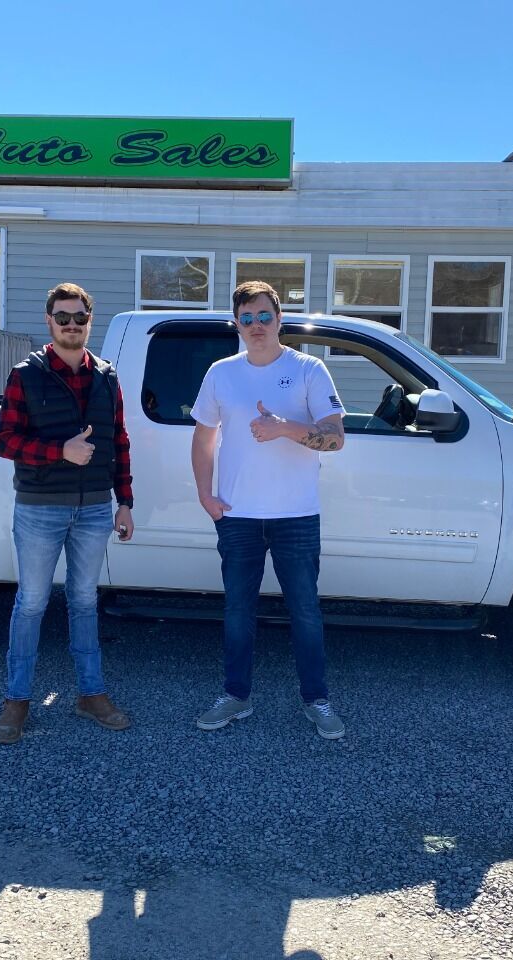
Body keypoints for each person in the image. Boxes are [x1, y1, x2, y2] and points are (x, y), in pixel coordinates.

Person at [189, 280, 347, 739]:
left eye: (264, 316)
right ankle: (235, 696)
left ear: (279, 319)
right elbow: (203, 439)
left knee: (306, 613)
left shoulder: (308, 369)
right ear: (235, 323)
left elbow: (335, 437)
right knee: (238, 612)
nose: (256, 326)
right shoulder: (221, 373)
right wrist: (205, 495)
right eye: (247, 318)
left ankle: (316, 700)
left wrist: (284, 428)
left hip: (296, 516)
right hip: (237, 516)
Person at [0, 282, 134, 745]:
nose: (72, 325)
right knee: (31, 603)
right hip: (40, 509)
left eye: (80, 318)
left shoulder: (107, 377)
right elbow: (5, 442)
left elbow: (119, 443)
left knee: (85, 601)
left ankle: (91, 695)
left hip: (94, 508)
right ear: (49, 321)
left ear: (90, 321)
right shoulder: (25, 375)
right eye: (63, 317)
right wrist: (60, 451)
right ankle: (17, 701)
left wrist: (124, 501)